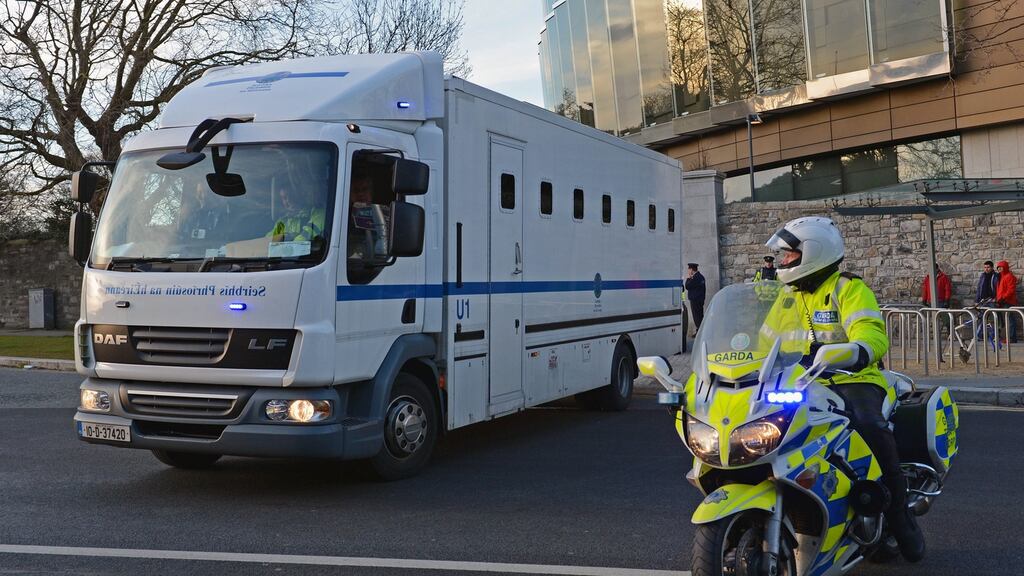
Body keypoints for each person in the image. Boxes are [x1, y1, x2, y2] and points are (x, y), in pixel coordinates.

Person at [764, 216, 926, 563]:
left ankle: (899, 514)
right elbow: (764, 341)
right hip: (802, 383)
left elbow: (872, 332)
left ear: (813, 253)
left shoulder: (848, 289)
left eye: (789, 255)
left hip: (854, 379)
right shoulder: (786, 297)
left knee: (868, 425)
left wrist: (855, 351)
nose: (783, 262)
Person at [347, 174, 388, 260]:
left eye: (364, 189)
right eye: (356, 190)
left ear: (371, 192)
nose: (361, 194)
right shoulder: (342, 217)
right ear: (350, 194)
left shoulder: (383, 216)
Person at [995, 260, 1019, 343]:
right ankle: (1011, 337)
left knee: (1010, 320)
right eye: (998, 268)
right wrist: (999, 299)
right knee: (1008, 319)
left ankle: (1012, 338)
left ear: (1005, 267)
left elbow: (1011, 290)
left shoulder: (1009, 276)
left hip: (1008, 301)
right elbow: (1000, 290)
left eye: (1001, 267)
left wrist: (1003, 298)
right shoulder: (1001, 277)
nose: (999, 269)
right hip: (1004, 301)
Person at [684, 263, 706, 332]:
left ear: (691, 270)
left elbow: (687, 286)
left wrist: (688, 278)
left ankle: (700, 333)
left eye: (689, 269)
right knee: (700, 317)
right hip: (700, 301)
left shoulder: (694, 278)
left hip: (695, 301)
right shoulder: (701, 277)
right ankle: (699, 332)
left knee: (697, 318)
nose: (688, 271)